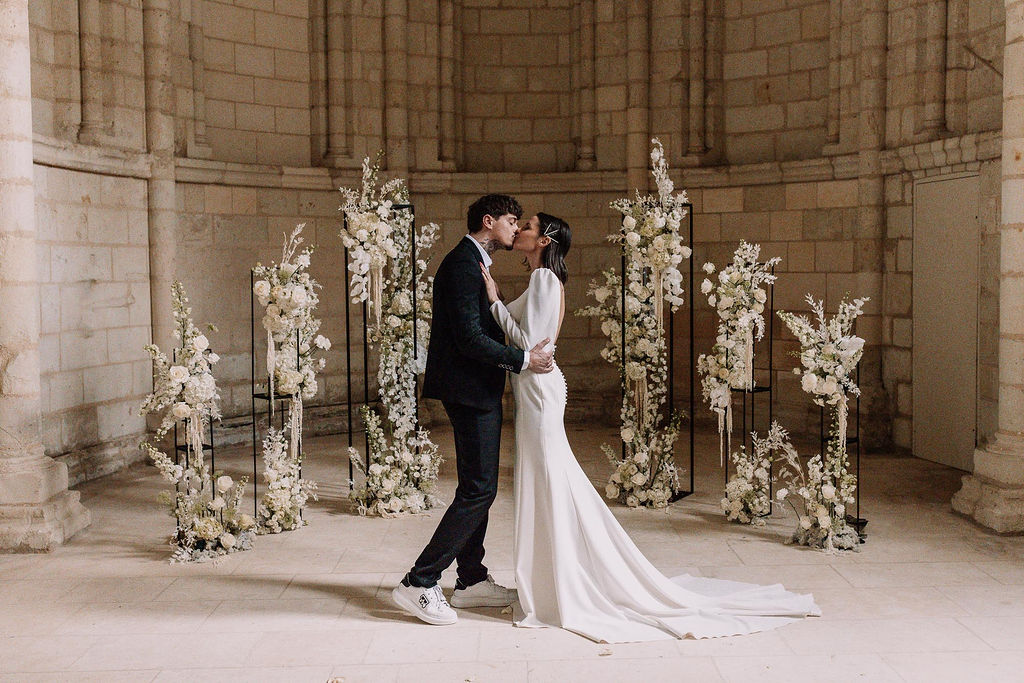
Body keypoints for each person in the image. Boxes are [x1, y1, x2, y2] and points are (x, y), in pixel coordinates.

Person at [478, 212, 821, 642]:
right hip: (533, 391)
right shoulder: (540, 282)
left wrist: (493, 300)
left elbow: (527, 345)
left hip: (540, 392)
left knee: (550, 480)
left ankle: (566, 582)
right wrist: (490, 300)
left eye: (527, 226)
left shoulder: (546, 282)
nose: (521, 231)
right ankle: (553, 578)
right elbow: (507, 326)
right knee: (547, 481)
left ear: (544, 241)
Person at [391, 194, 554, 625]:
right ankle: (420, 582)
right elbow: (467, 338)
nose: (516, 229)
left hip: (474, 387)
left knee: (476, 486)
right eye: (511, 220)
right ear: (489, 220)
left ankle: (470, 580)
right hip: (468, 389)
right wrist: (522, 361)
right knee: (479, 490)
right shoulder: (463, 264)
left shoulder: (474, 261)